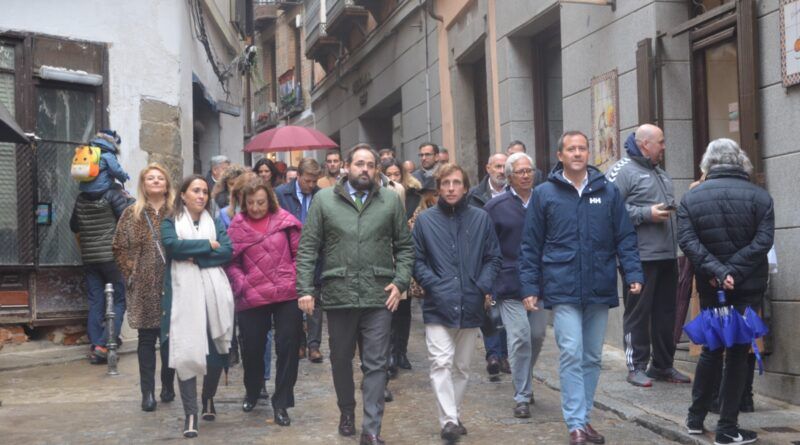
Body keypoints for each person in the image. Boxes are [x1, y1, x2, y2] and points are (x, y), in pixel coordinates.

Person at [519, 131, 643, 445]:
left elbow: (625, 237)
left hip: (599, 283)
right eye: (571, 149)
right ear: (559, 155)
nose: (578, 153)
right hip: (562, 286)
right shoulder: (545, 194)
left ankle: (584, 420)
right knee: (571, 353)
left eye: (582, 148)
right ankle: (575, 423)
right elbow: (530, 245)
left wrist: (632, 273)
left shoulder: (607, 191)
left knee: (591, 356)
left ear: (589, 154)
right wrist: (530, 287)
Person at [296, 143, 414, 445]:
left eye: (370, 165)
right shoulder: (324, 200)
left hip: (379, 294)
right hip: (339, 293)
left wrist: (400, 282)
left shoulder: (389, 201)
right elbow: (308, 248)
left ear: (376, 169)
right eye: (359, 163)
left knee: (376, 364)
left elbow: (404, 247)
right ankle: (346, 410)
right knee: (339, 359)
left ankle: (371, 428)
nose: (365, 169)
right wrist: (305, 289)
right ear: (346, 166)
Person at [679, 138, 774, 445]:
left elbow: (688, 243)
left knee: (712, 347)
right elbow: (763, 242)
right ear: (740, 160)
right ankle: (727, 428)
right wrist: (733, 271)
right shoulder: (760, 197)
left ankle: (695, 418)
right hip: (746, 286)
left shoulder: (691, 199)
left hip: (712, 286)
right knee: (736, 353)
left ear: (708, 163)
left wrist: (719, 272)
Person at [412, 163, 501, 443]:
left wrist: (481, 285)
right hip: (438, 303)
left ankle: (454, 412)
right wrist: (434, 285)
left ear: (465, 187)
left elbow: (493, 257)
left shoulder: (480, 218)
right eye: (446, 183)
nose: (451, 188)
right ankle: (449, 420)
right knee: (440, 362)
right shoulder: (426, 221)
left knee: (462, 366)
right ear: (438, 188)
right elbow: (417, 260)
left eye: (456, 183)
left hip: (471, 302)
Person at [607, 124, 691, 387]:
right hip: (639, 258)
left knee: (667, 312)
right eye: (661, 142)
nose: (665, 147)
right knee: (638, 314)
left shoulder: (660, 173)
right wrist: (646, 214)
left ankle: (663, 365)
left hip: (667, 255)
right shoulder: (622, 171)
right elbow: (610, 213)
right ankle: (636, 366)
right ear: (645, 144)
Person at [160, 175, 234, 438]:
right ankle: (191, 413)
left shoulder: (213, 222)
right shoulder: (171, 222)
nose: (201, 195)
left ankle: (208, 397)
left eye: (204, 191)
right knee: (186, 353)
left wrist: (195, 256)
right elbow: (171, 246)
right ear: (183, 194)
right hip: (184, 298)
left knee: (216, 354)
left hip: (214, 296)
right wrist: (206, 246)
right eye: (195, 190)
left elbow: (227, 251)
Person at [226, 178, 304, 426]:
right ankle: (252, 389)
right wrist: (242, 283)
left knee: (287, 347)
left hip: (286, 292)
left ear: (269, 199)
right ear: (243, 203)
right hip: (252, 294)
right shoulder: (237, 227)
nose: (256, 208)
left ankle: (282, 402)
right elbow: (231, 263)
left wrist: (294, 279)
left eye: (260, 202)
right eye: (251, 203)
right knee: (252, 348)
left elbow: (300, 254)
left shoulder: (285, 222)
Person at [483, 152, 548, 418]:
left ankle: (525, 378)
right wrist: (489, 282)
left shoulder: (544, 201)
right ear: (509, 176)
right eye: (519, 171)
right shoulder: (496, 207)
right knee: (520, 337)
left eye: (529, 170)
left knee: (537, 336)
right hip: (509, 284)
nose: (525, 175)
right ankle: (522, 395)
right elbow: (488, 246)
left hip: (540, 282)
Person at [112, 163, 177, 412]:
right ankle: (147, 392)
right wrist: (131, 271)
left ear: (167, 183)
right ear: (143, 184)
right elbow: (118, 245)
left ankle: (168, 385)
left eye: (160, 178)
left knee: (170, 338)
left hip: (172, 282)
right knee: (147, 339)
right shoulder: (132, 213)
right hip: (143, 285)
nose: (156, 181)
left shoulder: (176, 212)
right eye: (151, 178)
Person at [70, 160, 133, 364]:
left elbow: (73, 226)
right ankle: (105, 343)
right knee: (119, 300)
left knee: (96, 301)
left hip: (90, 258)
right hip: (112, 258)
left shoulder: (80, 199)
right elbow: (127, 221)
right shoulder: (112, 195)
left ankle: (96, 343)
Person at [276, 158, 323, 362]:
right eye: (307, 181)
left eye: (314, 181)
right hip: (289, 253)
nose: (311, 185)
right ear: (298, 177)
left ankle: (314, 344)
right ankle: (300, 342)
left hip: (316, 253)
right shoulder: (281, 194)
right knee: (293, 300)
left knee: (316, 299)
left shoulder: (321, 196)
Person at [466, 152, 509, 376]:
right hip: (485, 259)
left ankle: (505, 354)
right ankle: (493, 354)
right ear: (488, 168)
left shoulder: (515, 194)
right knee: (490, 307)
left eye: (504, 166)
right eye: (497, 166)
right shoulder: (475, 195)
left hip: (510, 259)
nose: (501, 171)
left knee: (507, 309)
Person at [78, 130, 131, 209]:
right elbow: (116, 171)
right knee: (119, 188)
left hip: (85, 188)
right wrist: (124, 177)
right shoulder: (108, 153)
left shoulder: (90, 151)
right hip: (100, 188)